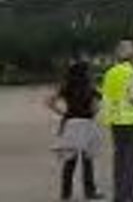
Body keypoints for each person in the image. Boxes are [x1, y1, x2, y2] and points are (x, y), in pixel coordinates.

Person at [48, 58, 104, 200]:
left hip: (70, 124)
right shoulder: (90, 87)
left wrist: (63, 113)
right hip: (86, 123)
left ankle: (66, 193)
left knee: (69, 162)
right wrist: (91, 114)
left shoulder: (66, 86)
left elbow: (49, 102)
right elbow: (96, 107)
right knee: (87, 161)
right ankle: (89, 191)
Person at [101, 40, 133, 202]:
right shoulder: (131, 73)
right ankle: (127, 195)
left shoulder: (109, 73)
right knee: (131, 160)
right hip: (132, 120)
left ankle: (119, 193)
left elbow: (106, 98)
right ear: (131, 54)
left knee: (119, 158)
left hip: (115, 120)